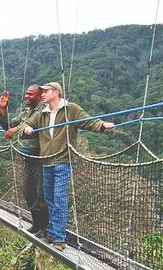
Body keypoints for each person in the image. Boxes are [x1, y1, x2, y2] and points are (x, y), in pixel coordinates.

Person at [18, 82, 115, 251]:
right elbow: (26, 123)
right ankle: (51, 232)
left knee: (59, 199)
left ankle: (59, 239)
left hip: (62, 162)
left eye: (46, 91)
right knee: (49, 200)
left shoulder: (71, 109)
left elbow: (87, 121)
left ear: (56, 92)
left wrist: (102, 125)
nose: (42, 94)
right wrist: (26, 129)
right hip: (46, 162)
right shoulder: (43, 113)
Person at [0, 85, 48, 237]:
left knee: (41, 195)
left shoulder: (43, 111)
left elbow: (33, 124)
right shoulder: (26, 111)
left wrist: (17, 129)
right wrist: (3, 110)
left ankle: (45, 228)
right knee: (29, 192)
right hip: (28, 158)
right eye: (26, 93)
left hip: (41, 157)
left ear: (39, 96)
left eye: (30, 94)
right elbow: (8, 125)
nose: (26, 96)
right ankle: (36, 224)